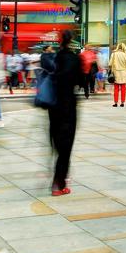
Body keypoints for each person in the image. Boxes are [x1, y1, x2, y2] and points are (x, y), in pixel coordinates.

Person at [47, 30, 80, 196]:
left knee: (57, 142)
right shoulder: (74, 58)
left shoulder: (54, 57)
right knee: (66, 145)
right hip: (68, 105)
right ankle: (59, 184)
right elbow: (80, 80)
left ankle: (59, 179)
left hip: (54, 104)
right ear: (71, 40)